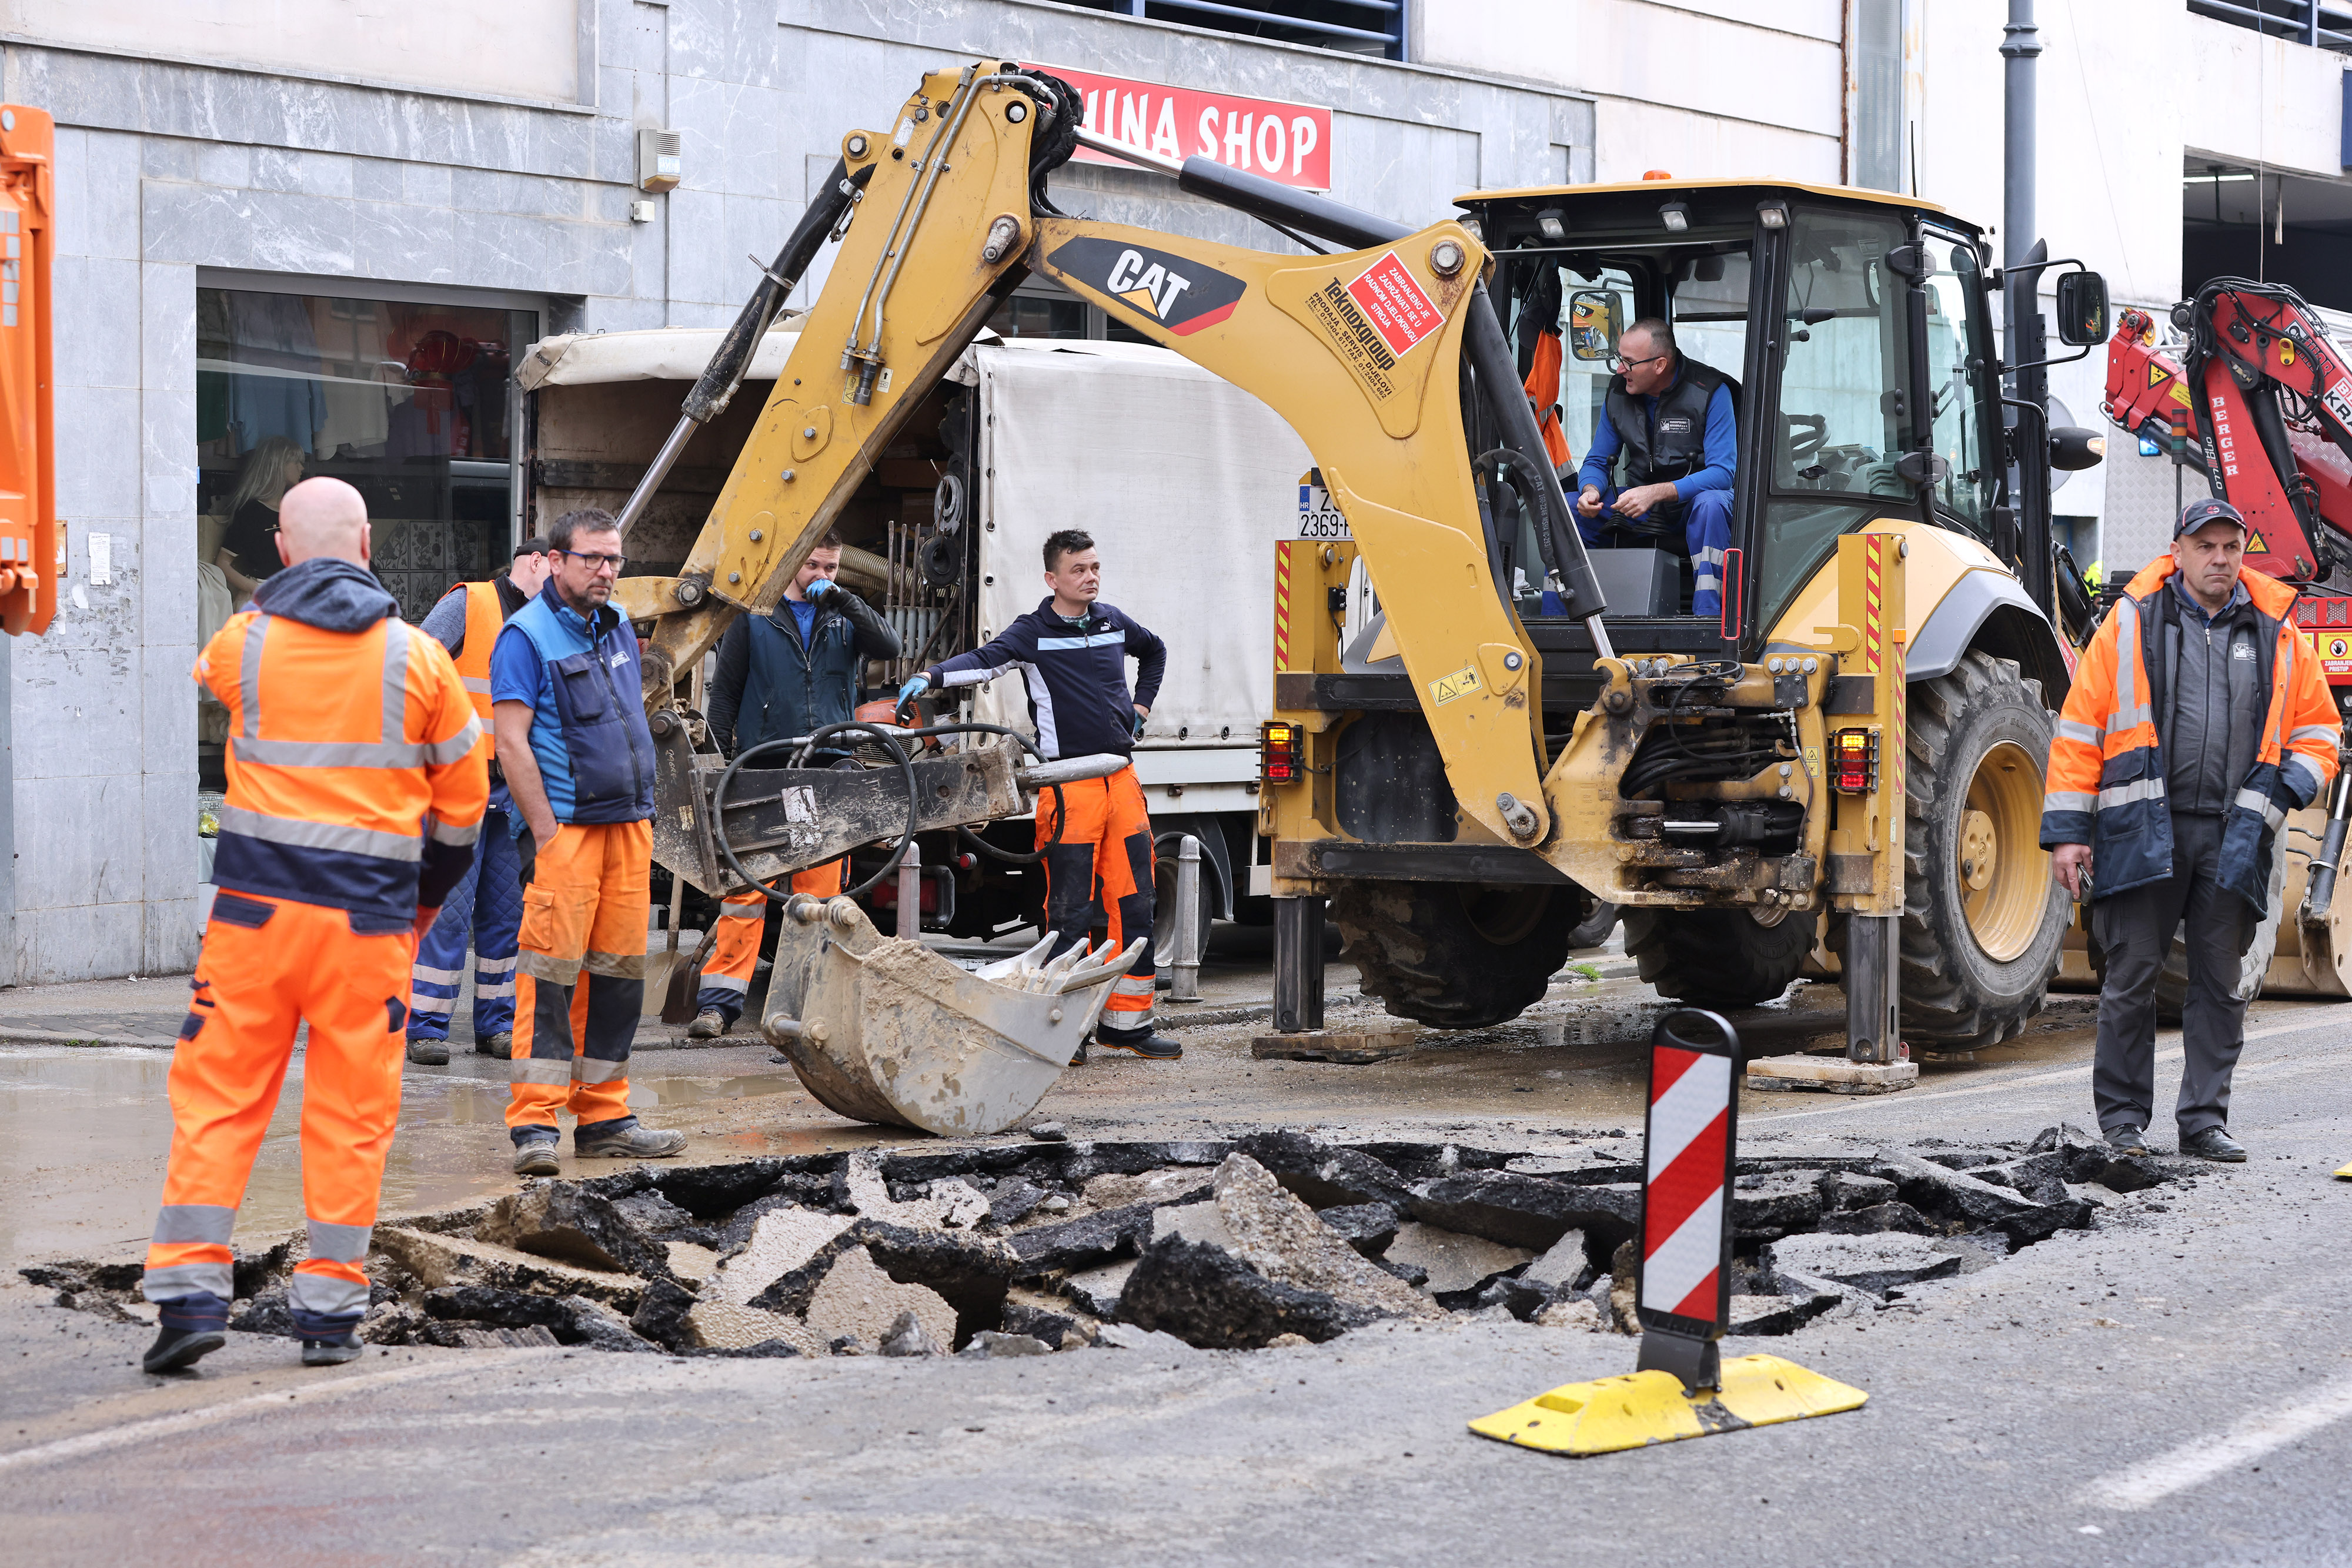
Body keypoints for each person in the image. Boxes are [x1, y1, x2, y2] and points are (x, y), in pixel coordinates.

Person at [139, 477, 488, 1375]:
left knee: (219, 1099)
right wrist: (420, 904)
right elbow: (463, 812)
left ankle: (188, 1297)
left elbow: (214, 678)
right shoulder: (420, 660)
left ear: (284, 549)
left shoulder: (243, 641)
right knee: (350, 1115)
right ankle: (329, 1314)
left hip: (251, 923)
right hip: (366, 929)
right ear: (367, 543)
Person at [2043, 497, 2340, 1162]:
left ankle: (2204, 1122)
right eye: (2205, 546)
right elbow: (2079, 731)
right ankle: (2123, 1123)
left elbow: (2320, 731)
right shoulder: (2131, 622)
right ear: (2177, 552)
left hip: (2235, 835)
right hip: (2143, 828)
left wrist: (2280, 793)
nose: (2220, 559)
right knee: (2130, 978)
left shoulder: (2277, 630)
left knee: (2219, 986)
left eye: (2231, 547)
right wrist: (2067, 831)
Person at [897, 529, 1180, 1060]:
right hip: (1069, 787)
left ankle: (1128, 1024)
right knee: (1070, 913)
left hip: (1122, 781)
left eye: (1095, 567)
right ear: (1052, 578)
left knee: (1135, 904)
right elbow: (985, 660)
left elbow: (1155, 651)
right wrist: (931, 677)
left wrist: (1140, 710)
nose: (1091, 577)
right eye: (1079, 570)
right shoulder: (1034, 632)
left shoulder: (1112, 621)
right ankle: (1064, 1031)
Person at [490, 507, 687, 1175]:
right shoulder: (525, 636)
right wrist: (546, 832)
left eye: (614, 560)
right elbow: (510, 743)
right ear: (554, 561)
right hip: (568, 833)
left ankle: (605, 1117)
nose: (606, 571)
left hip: (627, 828)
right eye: (592, 559)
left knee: (618, 976)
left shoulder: (619, 625)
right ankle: (535, 1124)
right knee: (549, 978)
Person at [689, 530, 902, 1038]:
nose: (821, 576)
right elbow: (725, 696)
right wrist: (718, 768)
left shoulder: (845, 617)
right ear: (791, 564)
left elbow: (890, 646)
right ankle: (718, 1006)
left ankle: (807, 999)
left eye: (831, 567)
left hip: (821, 773)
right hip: (763, 772)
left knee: (817, 893)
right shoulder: (753, 616)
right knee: (746, 888)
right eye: (812, 566)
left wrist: (843, 598)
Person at [403, 537, 556, 1065]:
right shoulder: (470, 603)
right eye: (557, 568)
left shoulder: (546, 621)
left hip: (514, 792)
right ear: (536, 561)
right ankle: (426, 1027)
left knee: (505, 915)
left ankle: (498, 1024)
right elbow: (412, 670)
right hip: (457, 786)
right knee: (447, 913)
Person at [1572, 317, 1736, 617]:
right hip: (1640, 506)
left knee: (1711, 505)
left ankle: (1709, 619)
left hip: (1693, 505)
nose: (1619, 369)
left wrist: (1656, 492)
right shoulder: (1618, 393)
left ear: (1660, 365)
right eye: (1619, 358)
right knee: (1568, 509)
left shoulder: (1711, 392)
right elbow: (1597, 461)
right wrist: (1590, 490)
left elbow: (1722, 474)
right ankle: (1562, 620)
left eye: (1628, 362)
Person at [215, 436, 308, 601]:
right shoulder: (251, 512)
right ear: (279, 465)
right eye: (296, 462)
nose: (301, 467)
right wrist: (254, 587)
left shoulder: (295, 510)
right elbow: (223, 562)